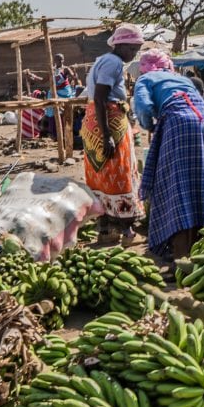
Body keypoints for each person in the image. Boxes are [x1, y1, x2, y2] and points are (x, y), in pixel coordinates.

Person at [133, 49, 204, 262]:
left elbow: (143, 107)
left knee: (177, 188)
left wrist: (150, 125)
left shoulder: (145, 79)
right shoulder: (180, 78)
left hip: (180, 123)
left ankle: (181, 259)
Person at [80, 24, 144, 244]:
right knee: (121, 173)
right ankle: (127, 232)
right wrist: (107, 134)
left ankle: (106, 230)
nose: (134, 53)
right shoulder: (113, 62)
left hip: (97, 121)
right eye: (132, 48)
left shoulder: (102, 60)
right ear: (121, 45)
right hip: (108, 121)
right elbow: (100, 97)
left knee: (102, 176)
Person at [45, 53, 79, 139]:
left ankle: (66, 132)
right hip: (54, 93)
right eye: (57, 59)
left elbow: (74, 78)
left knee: (65, 112)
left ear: (63, 60)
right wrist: (32, 76)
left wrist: (75, 73)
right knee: (52, 110)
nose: (59, 61)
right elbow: (43, 80)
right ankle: (55, 133)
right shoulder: (52, 70)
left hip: (64, 93)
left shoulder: (66, 69)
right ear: (54, 61)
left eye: (61, 59)